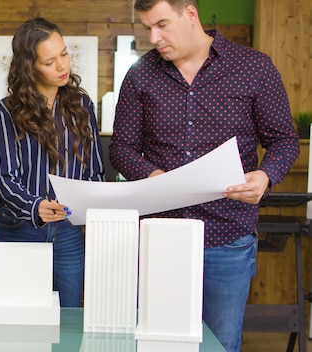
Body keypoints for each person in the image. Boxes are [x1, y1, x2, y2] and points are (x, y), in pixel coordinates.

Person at [109, 0, 299, 350]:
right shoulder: (140, 74)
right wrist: (153, 176)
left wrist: (265, 176)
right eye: (148, 27)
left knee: (222, 343)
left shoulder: (254, 68)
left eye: (162, 25)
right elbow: (121, 148)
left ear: (191, 14)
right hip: (160, 235)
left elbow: (284, 141)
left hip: (228, 235)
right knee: (158, 342)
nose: (154, 37)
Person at [0, 17, 106, 307]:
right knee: (15, 321)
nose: (63, 67)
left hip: (69, 231)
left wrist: (95, 209)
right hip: (18, 230)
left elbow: (94, 170)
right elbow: (4, 178)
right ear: (30, 67)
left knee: (66, 321)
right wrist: (36, 206)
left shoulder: (82, 105)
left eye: (64, 54)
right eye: (50, 61)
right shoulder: (6, 111)